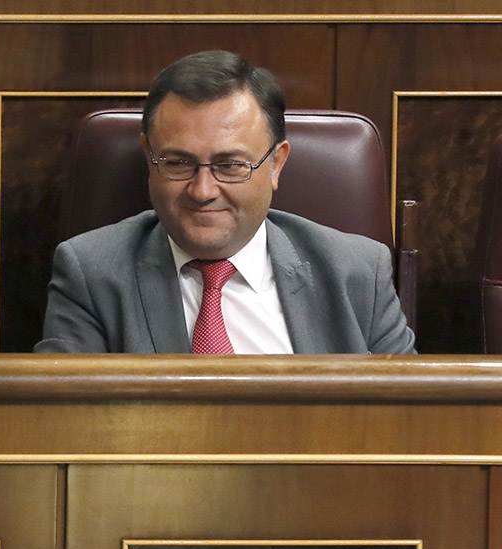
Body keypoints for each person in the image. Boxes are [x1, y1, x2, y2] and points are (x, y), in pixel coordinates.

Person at [36, 50, 416, 355]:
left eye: (230, 165)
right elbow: (68, 431)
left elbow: (406, 428)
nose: (202, 191)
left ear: (276, 164)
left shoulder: (359, 272)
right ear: (148, 158)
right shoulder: (90, 273)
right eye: (178, 163)